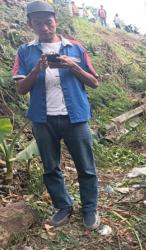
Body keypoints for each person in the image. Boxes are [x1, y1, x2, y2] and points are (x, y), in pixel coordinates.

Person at [12, 1, 101, 230]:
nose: (44, 28)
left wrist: (73, 67)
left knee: (86, 166)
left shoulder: (76, 48)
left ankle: (89, 209)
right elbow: (21, 89)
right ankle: (63, 206)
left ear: (56, 21)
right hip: (43, 120)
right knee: (51, 167)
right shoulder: (25, 52)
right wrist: (36, 70)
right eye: (38, 23)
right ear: (30, 24)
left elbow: (94, 82)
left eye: (48, 22)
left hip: (76, 117)